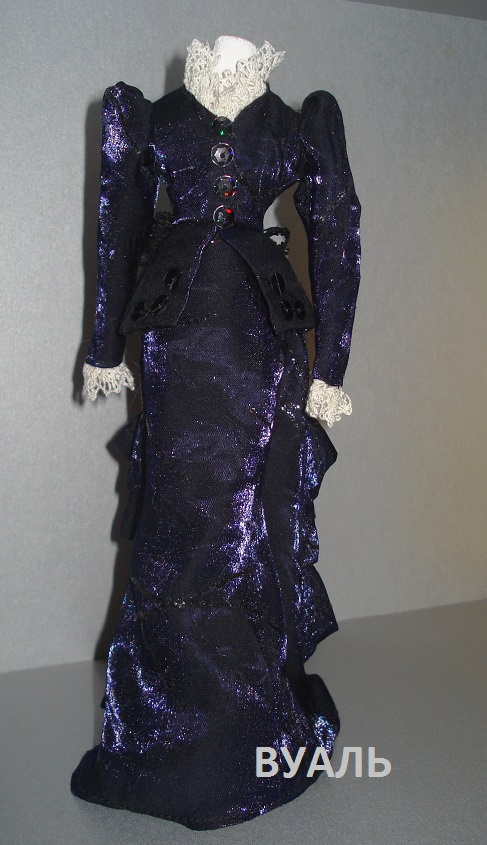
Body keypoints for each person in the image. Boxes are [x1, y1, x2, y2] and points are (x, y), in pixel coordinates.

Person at [71, 35, 361, 830]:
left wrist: (330, 365)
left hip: (262, 341)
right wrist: (104, 348)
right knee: (179, 517)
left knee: (244, 520)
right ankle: (166, 728)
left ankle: (248, 726)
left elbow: (336, 234)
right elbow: (118, 226)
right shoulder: (152, 117)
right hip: (173, 340)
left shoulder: (297, 124)